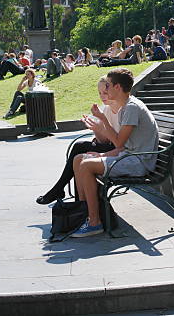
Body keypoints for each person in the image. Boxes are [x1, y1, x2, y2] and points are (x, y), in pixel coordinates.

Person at [69, 68, 159, 238]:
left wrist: (102, 120)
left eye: (108, 86)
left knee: (86, 166)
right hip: (128, 157)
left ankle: (94, 222)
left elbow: (119, 142)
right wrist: (102, 155)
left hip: (139, 163)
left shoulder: (132, 107)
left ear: (117, 87)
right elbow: (120, 147)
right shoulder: (127, 106)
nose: (105, 89)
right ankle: (83, 213)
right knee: (79, 159)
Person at [36, 76, 122, 204]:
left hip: (120, 150)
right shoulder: (107, 109)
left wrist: (101, 125)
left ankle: (61, 190)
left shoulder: (121, 109)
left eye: (105, 92)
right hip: (113, 147)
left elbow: (118, 142)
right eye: (99, 93)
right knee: (79, 148)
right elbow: (104, 141)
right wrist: (94, 128)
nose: (102, 96)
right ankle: (72, 198)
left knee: (79, 148)